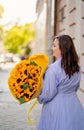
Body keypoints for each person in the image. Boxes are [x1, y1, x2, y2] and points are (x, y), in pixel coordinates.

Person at [37, 35, 84, 130]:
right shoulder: (77, 67)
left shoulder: (52, 69)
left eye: (54, 46)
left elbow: (48, 94)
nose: (52, 48)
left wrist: (37, 95)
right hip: (74, 106)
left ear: (62, 49)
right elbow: (76, 87)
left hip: (56, 109)